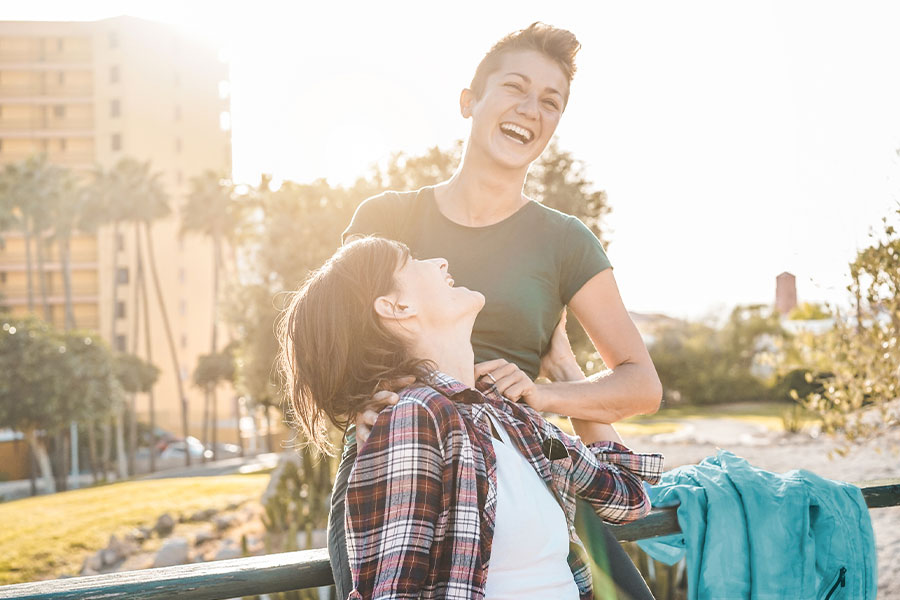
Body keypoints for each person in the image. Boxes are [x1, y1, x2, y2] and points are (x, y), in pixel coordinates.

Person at [330, 22, 663, 599]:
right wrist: (350, 403)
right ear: (469, 101)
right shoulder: (388, 219)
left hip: (522, 466)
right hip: (407, 467)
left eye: (551, 101)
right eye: (514, 87)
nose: (531, 109)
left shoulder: (566, 242)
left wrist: (547, 395)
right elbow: (325, 337)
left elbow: (641, 385)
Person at [279, 236, 664, 599]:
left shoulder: (508, 416)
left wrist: (563, 370)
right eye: (412, 261)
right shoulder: (414, 418)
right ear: (397, 307)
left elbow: (627, 497)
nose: (440, 261)